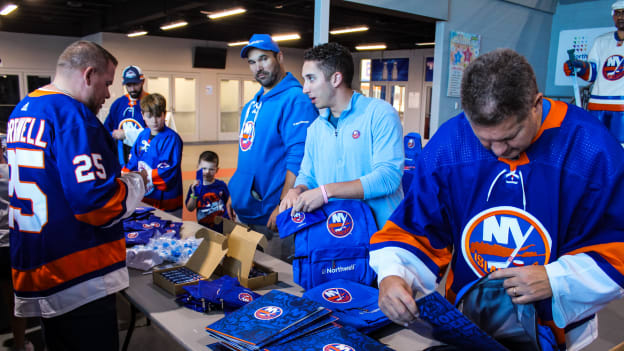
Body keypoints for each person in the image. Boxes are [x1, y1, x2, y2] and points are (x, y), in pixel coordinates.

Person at [371, 48, 624, 349]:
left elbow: (615, 245)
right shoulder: (451, 143)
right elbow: (417, 227)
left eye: (509, 137)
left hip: (553, 326)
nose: (499, 152)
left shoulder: (592, 150)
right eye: (485, 140)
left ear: (536, 105)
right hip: (469, 319)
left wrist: (555, 279)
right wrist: (392, 275)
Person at [7, 40, 146, 350]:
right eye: (107, 83)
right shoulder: (73, 116)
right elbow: (96, 202)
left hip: (40, 264)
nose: (109, 94)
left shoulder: (24, 108)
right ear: (88, 74)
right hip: (77, 277)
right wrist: (137, 183)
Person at [279, 42, 404, 230]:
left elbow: (387, 178)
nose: (305, 89)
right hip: (337, 236)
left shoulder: (379, 114)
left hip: (381, 236)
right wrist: (298, 190)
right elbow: (307, 175)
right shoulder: (316, 128)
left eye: (311, 79)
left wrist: (325, 192)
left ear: (336, 78)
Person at [227, 34, 317, 260]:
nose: (258, 67)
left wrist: (283, 206)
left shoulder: (296, 99)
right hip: (245, 211)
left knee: (274, 286)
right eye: (252, 62)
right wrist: (236, 193)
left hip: (273, 217)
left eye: (264, 59)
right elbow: (247, 154)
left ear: (280, 56)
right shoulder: (252, 104)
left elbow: (299, 157)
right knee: (244, 281)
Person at [563, 0, 624, 143]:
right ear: (613, 16)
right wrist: (578, 67)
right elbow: (592, 73)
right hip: (597, 104)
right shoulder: (601, 41)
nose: (621, 16)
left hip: (622, 108)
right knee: (595, 143)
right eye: (618, 13)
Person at [123, 93, 183, 217]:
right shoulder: (143, 135)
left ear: (164, 114)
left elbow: (168, 170)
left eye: (158, 116)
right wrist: (124, 176)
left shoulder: (172, 138)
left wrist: (144, 176)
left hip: (166, 200)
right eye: (149, 116)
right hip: (146, 195)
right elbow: (134, 159)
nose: (154, 121)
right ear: (143, 115)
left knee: (170, 231)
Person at [0, 136, 33, 351]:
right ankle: (21, 344)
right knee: (20, 300)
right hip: (14, 243)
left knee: (11, 300)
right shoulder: (9, 171)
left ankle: (20, 343)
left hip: (5, 244)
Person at [104, 65, 148, 165]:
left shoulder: (150, 103)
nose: (132, 89)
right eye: (128, 85)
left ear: (142, 81)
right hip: (122, 158)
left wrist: (127, 134)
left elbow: (156, 133)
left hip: (144, 157)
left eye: (135, 84)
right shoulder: (118, 104)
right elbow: (107, 129)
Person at [186, 150, 230, 232]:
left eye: (211, 169)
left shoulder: (221, 185)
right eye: (204, 168)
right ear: (198, 167)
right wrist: (194, 194)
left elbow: (228, 203)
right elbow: (190, 208)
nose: (207, 172)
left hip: (222, 226)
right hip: (204, 227)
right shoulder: (195, 187)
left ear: (217, 170)